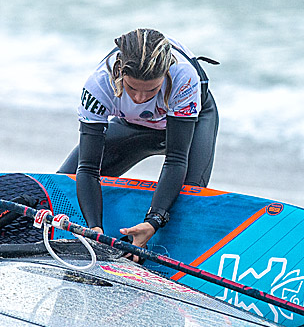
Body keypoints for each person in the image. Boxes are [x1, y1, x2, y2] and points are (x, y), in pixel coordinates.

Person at [58, 28, 219, 252]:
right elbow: (88, 168)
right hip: (132, 125)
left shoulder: (183, 77)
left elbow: (176, 160)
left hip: (192, 123)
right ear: (120, 71)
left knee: (188, 197)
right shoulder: (99, 84)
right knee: (63, 183)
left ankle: (152, 241)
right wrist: (94, 228)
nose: (140, 98)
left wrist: (154, 220)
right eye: (131, 88)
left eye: (152, 90)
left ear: (165, 75)